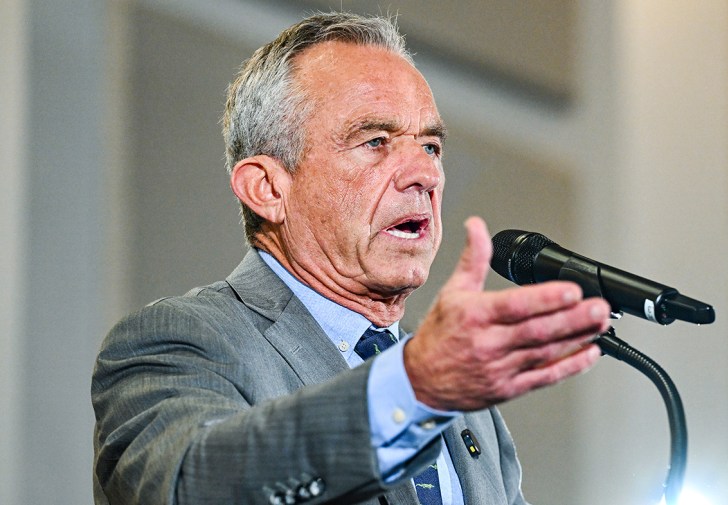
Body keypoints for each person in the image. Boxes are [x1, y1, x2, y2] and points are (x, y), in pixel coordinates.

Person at [91, 12, 610, 505]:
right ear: (268, 188)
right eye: (375, 141)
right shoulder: (180, 341)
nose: (426, 174)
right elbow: (190, 486)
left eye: (431, 147)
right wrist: (412, 389)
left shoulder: (461, 399)